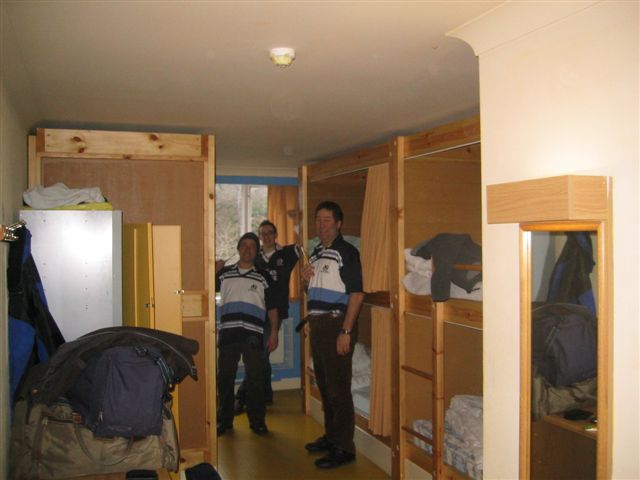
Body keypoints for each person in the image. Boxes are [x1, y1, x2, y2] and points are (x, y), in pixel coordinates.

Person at [301, 201, 364, 469]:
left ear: (338, 223)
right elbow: (312, 292)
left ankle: (344, 447)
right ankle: (331, 437)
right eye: (318, 220)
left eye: (327, 220)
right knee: (325, 387)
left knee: (338, 389)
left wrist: (346, 331)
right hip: (318, 325)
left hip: (337, 324)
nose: (321, 225)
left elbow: (357, 294)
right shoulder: (316, 253)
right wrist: (305, 280)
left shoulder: (346, 252)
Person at [215, 232, 279, 435]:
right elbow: (204, 287)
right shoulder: (223, 274)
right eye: (244, 245)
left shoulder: (264, 276)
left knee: (256, 379)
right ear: (238, 249)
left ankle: (257, 421)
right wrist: (212, 270)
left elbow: (273, 308)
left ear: (256, 252)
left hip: (254, 335)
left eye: (252, 246)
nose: (247, 249)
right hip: (228, 334)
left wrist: (274, 332)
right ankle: (224, 420)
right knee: (224, 378)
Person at [234, 220, 300, 414]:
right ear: (260, 236)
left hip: (275, 313)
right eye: (263, 233)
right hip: (255, 311)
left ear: (276, 234)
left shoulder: (287, 254)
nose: (267, 236)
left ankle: (241, 396)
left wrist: (298, 226)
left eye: (270, 232)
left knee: (260, 355)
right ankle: (266, 393)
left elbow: (305, 244)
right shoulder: (255, 256)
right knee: (261, 355)